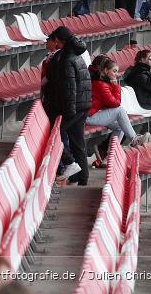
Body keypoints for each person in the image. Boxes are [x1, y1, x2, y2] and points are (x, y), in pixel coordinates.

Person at [47, 26, 91, 186]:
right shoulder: (76, 54)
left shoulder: (65, 59)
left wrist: (68, 111)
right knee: (78, 141)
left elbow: (69, 87)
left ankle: (70, 163)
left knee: (53, 133)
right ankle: (83, 178)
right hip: (84, 104)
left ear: (57, 40)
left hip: (75, 105)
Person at [88, 57, 147, 157]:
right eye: (114, 71)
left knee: (120, 126)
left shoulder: (102, 81)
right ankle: (134, 139)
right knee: (120, 111)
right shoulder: (100, 84)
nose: (117, 74)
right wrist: (115, 86)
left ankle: (110, 155)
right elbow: (116, 104)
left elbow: (109, 103)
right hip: (89, 117)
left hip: (95, 113)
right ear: (106, 71)